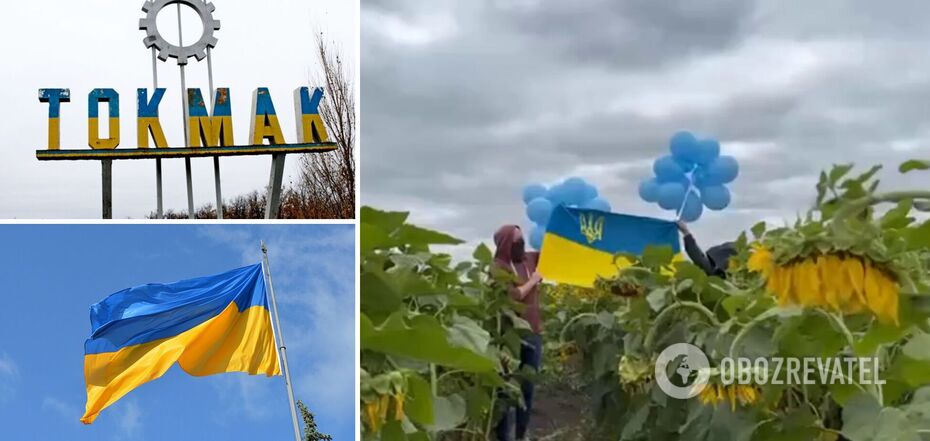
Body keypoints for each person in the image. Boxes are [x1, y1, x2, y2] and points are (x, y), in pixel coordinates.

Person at [492, 224, 543, 441]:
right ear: (505, 245)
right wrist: (533, 281)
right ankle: (503, 436)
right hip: (508, 335)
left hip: (532, 332)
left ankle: (522, 434)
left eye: (522, 239)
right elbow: (513, 296)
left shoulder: (529, 260)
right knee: (505, 387)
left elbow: (553, 252)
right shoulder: (498, 267)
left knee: (528, 386)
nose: (521, 244)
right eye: (517, 241)